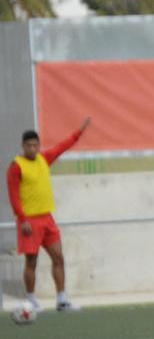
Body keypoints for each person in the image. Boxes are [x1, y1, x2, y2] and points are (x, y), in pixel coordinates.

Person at [6, 118, 91, 312]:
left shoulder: (44, 159)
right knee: (31, 261)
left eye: (35, 145)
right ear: (23, 146)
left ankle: (62, 300)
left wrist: (78, 133)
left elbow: (62, 147)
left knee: (59, 257)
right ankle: (31, 300)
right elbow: (13, 195)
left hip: (47, 219)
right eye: (29, 145)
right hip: (29, 221)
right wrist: (22, 218)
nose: (33, 149)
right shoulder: (16, 166)